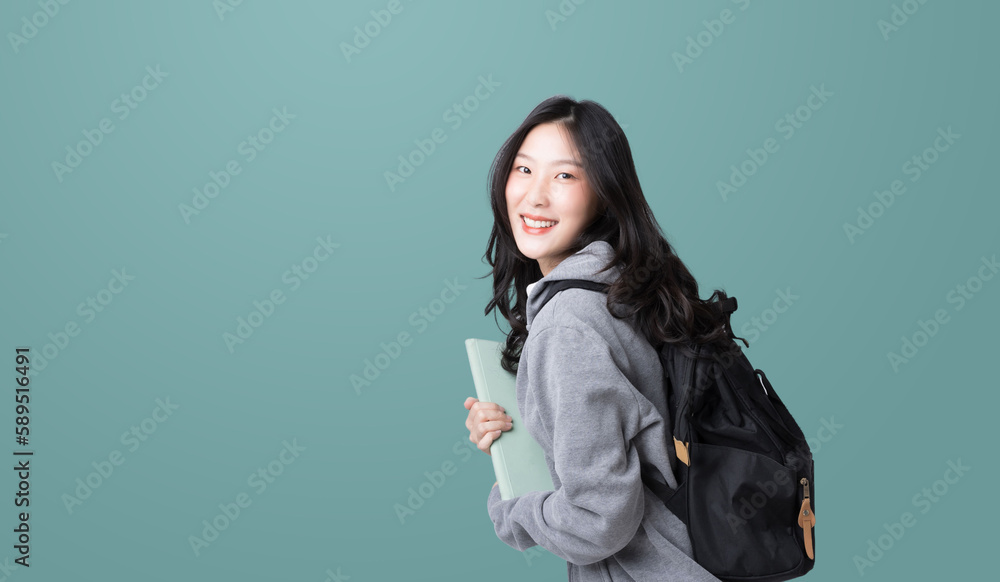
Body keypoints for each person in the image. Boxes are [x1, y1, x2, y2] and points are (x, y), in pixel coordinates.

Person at [463, 95, 736, 581]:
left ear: (604, 195)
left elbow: (598, 521)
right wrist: (521, 447)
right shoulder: (625, 287)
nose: (535, 196)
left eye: (565, 176)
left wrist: (512, 505)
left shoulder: (568, 324)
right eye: (524, 170)